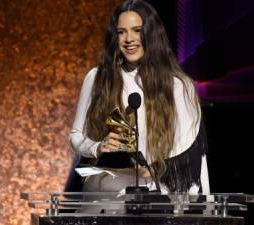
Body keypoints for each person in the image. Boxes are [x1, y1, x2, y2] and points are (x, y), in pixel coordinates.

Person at [68, 0, 210, 195]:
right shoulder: (97, 78)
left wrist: (157, 170)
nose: (129, 39)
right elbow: (76, 135)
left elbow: (189, 151)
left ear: (151, 34)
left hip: (159, 193)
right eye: (121, 32)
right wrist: (97, 147)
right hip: (108, 194)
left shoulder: (178, 85)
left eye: (137, 30)